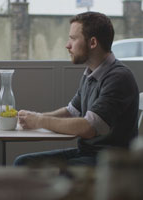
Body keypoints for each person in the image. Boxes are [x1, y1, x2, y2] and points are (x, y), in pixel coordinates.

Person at [14, 12, 139, 166]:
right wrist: (33, 117)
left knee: (31, 168)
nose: (67, 45)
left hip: (110, 162)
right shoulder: (90, 73)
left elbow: (88, 128)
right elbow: (70, 112)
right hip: (88, 154)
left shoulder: (118, 77)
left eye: (73, 39)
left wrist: (39, 121)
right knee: (23, 162)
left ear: (92, 43)